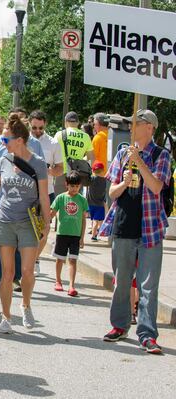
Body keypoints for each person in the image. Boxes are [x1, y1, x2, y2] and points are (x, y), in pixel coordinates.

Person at [100, 109, 171, 355]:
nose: (131, 127)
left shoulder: (162, 155)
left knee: (148, 285)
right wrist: (123, 179)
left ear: (149, 127)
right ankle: (119, 326)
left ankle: (147, 334)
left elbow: (156, 187)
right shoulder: (121, 153)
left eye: (136, 123)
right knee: (121, 282)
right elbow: (111, 193)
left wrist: (139, 162)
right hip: (124, 225)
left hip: (150, 228)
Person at [0, 114, 50, 333]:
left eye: (6, 139)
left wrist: (47, 224)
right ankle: (6, 316)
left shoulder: (37, 163)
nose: (2, 142)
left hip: (28, 221)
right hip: (4, 220)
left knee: (27, 271)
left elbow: (44, 196)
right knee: (7, 273)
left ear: (19, 140)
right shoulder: (2, 161)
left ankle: (25, 304)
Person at [29, 110, 64, 274]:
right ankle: (25, 260)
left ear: (45, 125)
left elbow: (60, 169)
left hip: (46, 191)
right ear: (29, 124)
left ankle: (34, 258)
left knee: (44, 229)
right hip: (26, 192)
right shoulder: (22, 141)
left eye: (40, 128)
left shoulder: (53, 143)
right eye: (34, 127)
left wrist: (49, 170)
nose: (37, 131)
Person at [50, 171, 88, 297]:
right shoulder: (61, 198)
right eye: (72, 186)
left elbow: (83, 220)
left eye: (77, 186)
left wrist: (82, 238)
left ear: (80, 186)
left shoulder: (82, 200)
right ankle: (58, 281)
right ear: (67, 185)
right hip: (62, 234)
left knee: (73, 260)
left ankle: (71, 285)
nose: (74, 189)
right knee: (60, 259)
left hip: (75, 236)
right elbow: (52, 212)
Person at [54, 111, 94, 193]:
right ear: (78, 122)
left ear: (66, 122)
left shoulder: (59, 134)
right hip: (78, 174)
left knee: (59, 202)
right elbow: (91, 157)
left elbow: (52, 154)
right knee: (75, 202)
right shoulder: (86, 137)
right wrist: (80, 159)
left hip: (61, 172)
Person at [87, 161, 107, 241]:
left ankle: (94, 230)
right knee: (97, 220)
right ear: (103, 171)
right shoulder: (104, 180)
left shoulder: (91, 179)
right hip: (99, 204)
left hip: (90, 203)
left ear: (93, 171)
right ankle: (94, 236)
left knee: (94, 220)